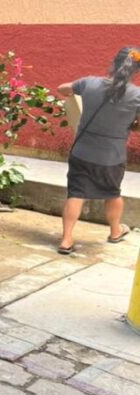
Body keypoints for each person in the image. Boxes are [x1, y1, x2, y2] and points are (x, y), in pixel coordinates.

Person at [56, 47, 140, 255]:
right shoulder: (137, 95)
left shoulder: (90, 83)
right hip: (112, 156)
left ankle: (66, 240)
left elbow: (62, 88)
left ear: (114, 63)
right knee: (112, 193)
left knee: (76, 193)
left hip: (82, 152)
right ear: (136, 71)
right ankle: (114, 232)